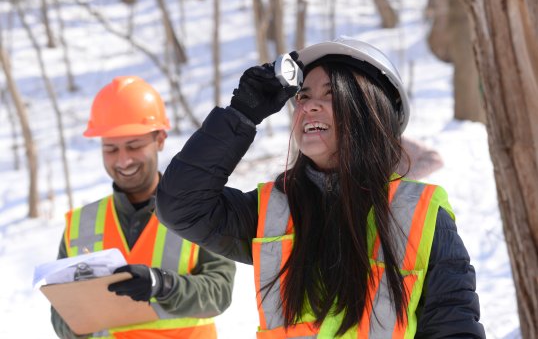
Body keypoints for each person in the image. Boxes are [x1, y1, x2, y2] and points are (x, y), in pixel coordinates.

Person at [156, 37, 485, 338]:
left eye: (331, 94)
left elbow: (454, 328)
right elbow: (180, 205)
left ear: (371, 114)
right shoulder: (273, 211)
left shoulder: (422, 217)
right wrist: (242, 115)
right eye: (303, 96)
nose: (309, 106)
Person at [51, 76, 236, 339]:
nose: (123, 160)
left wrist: (163, 285)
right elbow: (60, 319)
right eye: (111, 149)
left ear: (160, 139)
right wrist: (82, 314)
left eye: (134, 146)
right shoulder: (81, 224)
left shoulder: (200, 210)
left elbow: (220, 292)